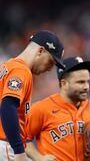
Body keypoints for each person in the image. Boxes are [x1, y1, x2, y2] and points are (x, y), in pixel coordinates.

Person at [0, 30, 64, 161]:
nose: (50, 68)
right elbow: (8, 106)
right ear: (40, 51)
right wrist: (19, 150)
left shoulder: (7, 66)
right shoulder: (21, 70)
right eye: (51, 62)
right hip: (6, 145)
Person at [25, 56, 90, 161]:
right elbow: (21, 138)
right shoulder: (42, 108)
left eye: (87, 81)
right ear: (64, 84)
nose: (86, 87)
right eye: (80, 82)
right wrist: (38, 157)